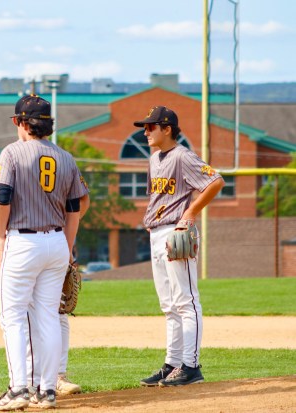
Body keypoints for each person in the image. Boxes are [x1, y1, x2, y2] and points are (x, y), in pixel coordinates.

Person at [0, 95, 89, 411]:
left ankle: (19, 388)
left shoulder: (12, 153)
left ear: (21, 122)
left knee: (13, 317)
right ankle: (46, 391)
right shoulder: (67, 157)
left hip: (23, 241)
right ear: (47, 125)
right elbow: (75, 209)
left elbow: (1, 201)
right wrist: (68, 249)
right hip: (57, 242)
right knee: (47, 317)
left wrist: (0, 244)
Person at [133, 106, 224, 387]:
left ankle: (191, 366)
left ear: (167, 128)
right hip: (157, 233)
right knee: (168, 304)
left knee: (186, 300)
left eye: (151, 127)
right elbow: (157, 197)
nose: (146, 132)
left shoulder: (183, 156)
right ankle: (173, 363)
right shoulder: (153, 159)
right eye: (145, 128)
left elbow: (215, 180)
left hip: (176, 232)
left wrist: (190, 213)